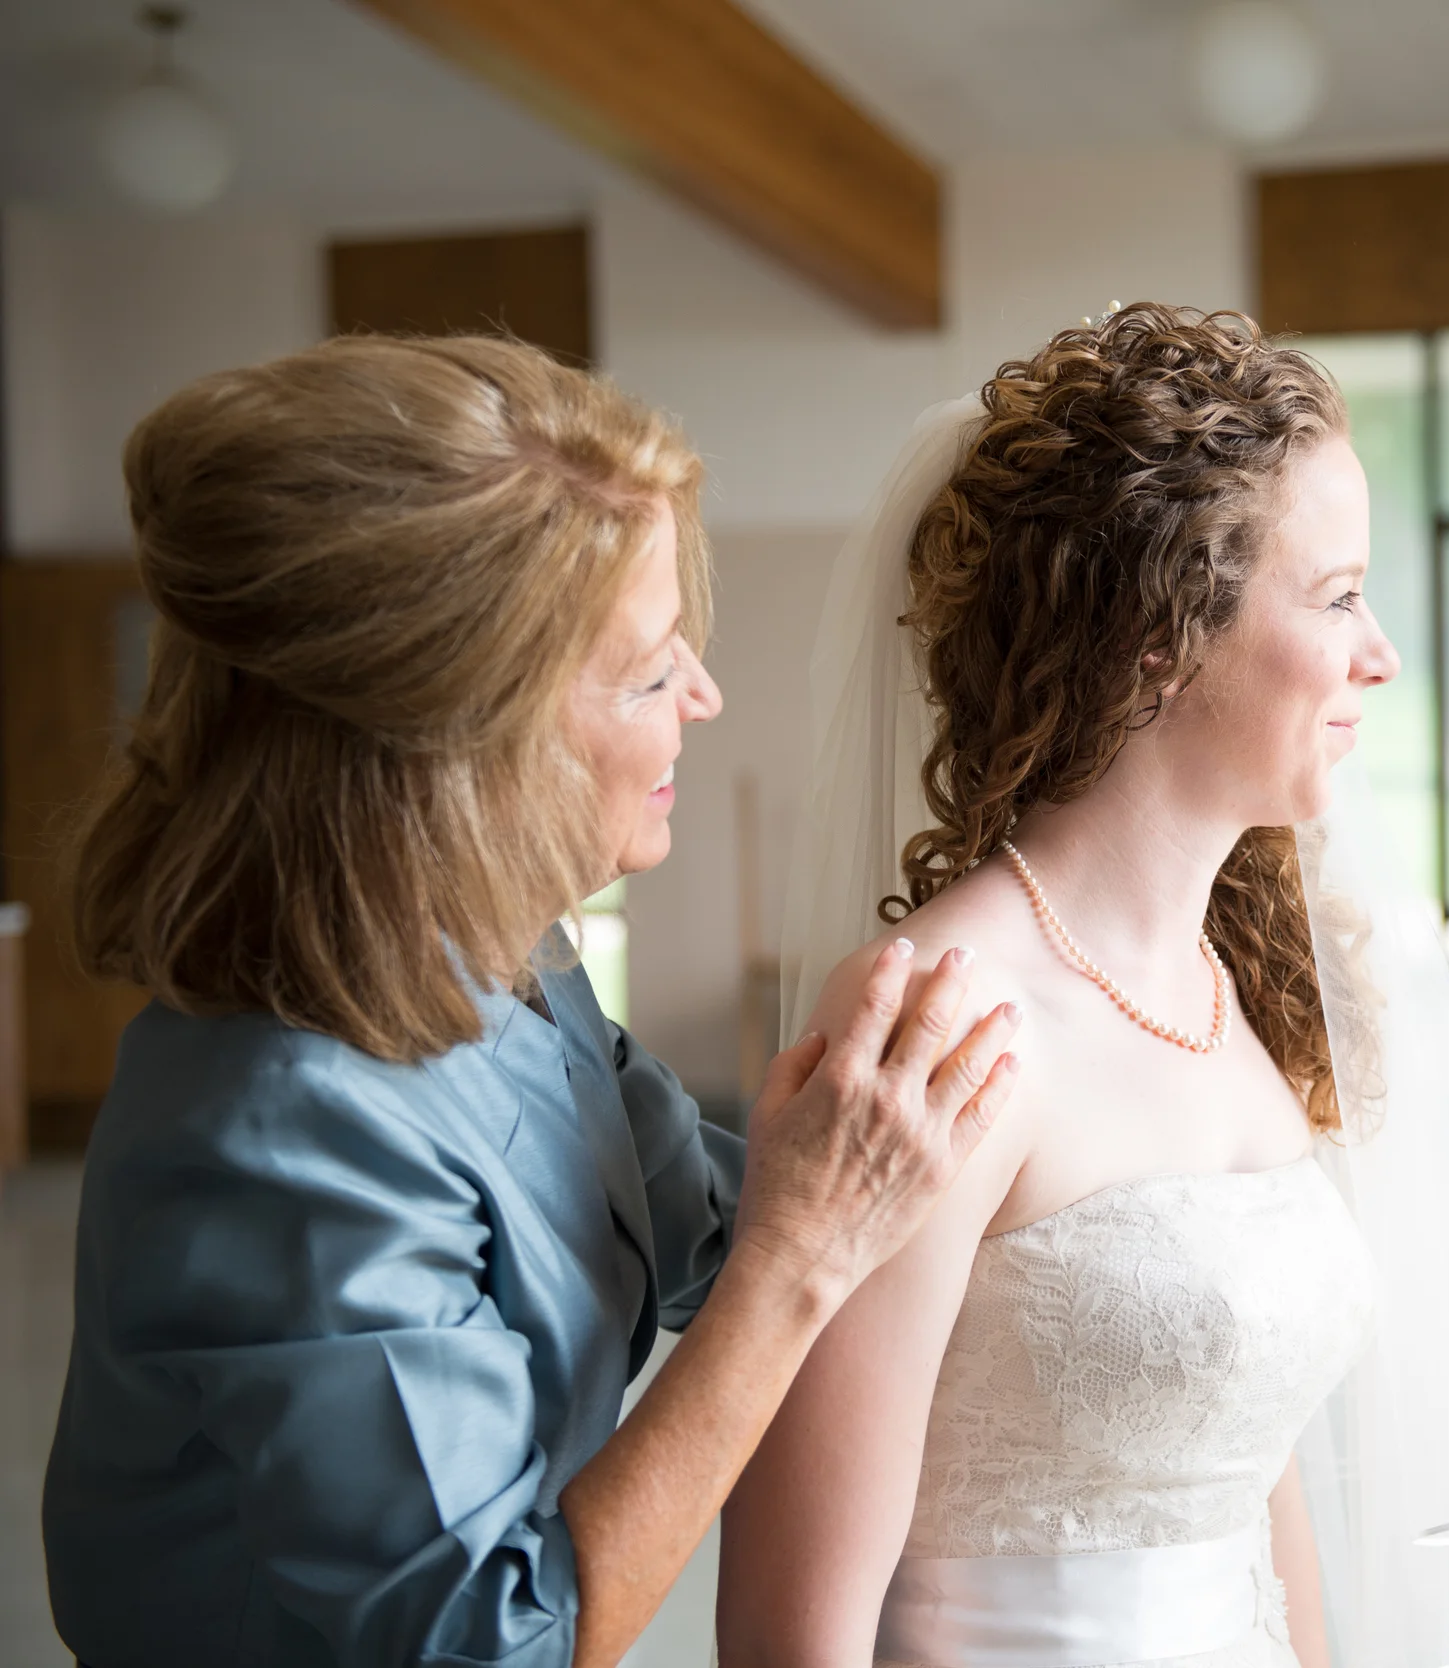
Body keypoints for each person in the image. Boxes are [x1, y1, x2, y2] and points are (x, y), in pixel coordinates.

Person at [722, 305, 1449, 1668]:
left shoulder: (1230, 996)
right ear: (1162, 636)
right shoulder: (946, 1024)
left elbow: (1257, 1477)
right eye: (1335, 598)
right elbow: (793, 1632)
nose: (1378, 653)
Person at [41, 334, 1021, 1668]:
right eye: (648, 671)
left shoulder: (507, 953)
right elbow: (499, 1641)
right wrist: (801, 1266)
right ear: (464, 748)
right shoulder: (287, 1133)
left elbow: (706, 1223)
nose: (705, 696)